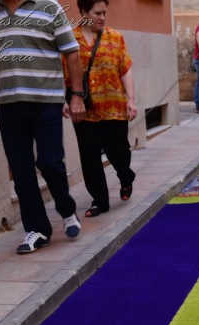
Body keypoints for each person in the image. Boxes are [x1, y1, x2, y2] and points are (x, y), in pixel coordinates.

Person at [0, 0, 84, 255]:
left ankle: (66, 209)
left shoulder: (49, 7)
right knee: (21, 171)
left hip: (48, 102)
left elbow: (71, 52)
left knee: (51, 163)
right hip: (9, 105)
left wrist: (76, 95)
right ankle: (38, 229)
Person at [65, 0, 136, 218]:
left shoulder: (115, 37)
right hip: (84, 109)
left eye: (105, 13)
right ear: (84, 12)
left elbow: (125, 70)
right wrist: (63, 100)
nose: (102, 17)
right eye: (97, 13)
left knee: (119, 152)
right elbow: (63, 72)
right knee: (90, 156)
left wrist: (131, 100)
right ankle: (100, 200)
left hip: (114, 107)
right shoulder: (70, 39)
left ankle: (126, 177)